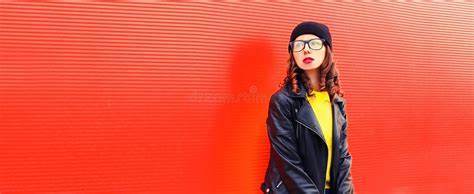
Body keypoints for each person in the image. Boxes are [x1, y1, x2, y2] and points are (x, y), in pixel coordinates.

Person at [260, 21, 354, 194]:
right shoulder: (283, 101)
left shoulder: (336, 102)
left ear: (327, 49)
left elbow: (343, 158)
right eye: (298, 45)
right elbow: (288, 163)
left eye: (314, 43)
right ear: (292, 53)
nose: (306, 49)